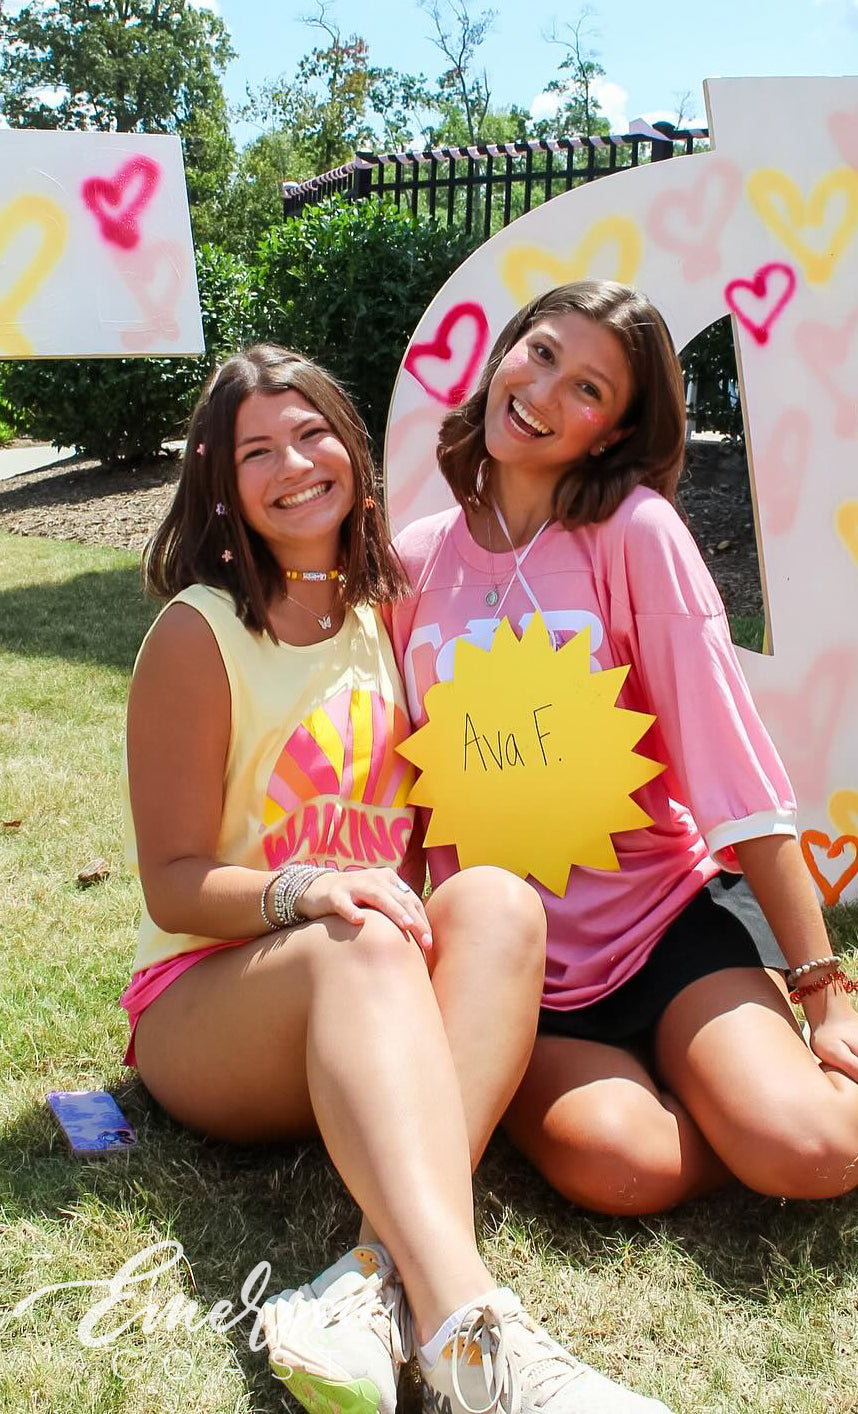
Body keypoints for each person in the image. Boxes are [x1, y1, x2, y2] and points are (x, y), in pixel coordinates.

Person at [121, 343, 672, 1414]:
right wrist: (306, 886)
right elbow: (175, 885)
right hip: (211, 1002)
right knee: (364, 926)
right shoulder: (197, 636)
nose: (294, 463)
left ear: (355, 450)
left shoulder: (389, 614)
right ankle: (478, 1336)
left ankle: (368, 1283)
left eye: (314, 432)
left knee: (500, 898)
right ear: (219, 482)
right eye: (256, 451)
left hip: (363, 990)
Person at [389, 280, 858, 1218]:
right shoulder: (409, 561)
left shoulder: (633, 533)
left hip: (665, 924)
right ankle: (724, 1099)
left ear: (609, 432)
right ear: (505, 352)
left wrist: (824, 995)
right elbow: (403, 786)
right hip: (522, 971)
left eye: (589, 390)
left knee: (807, 1149)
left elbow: (735, 772)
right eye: (541, 352)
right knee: (619, 1170)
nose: (545, 391)